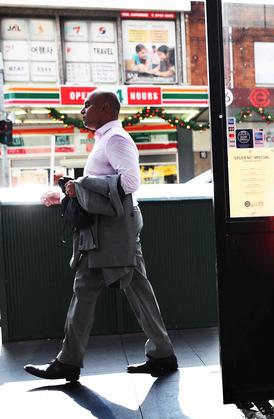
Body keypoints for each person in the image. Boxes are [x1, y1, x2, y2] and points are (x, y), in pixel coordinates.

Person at [24, 90, 177, 382]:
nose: (82, 110)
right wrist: (65, 193)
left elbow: (130, 182)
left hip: (112, 233)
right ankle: (162, 354)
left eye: (87, 105)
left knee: (88, 289)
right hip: (112, 231)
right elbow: (103, 187)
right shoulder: (107, 139)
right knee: (133, 290)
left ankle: (68, 362)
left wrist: (79, 184)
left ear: (105, 108)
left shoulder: (116, 139)